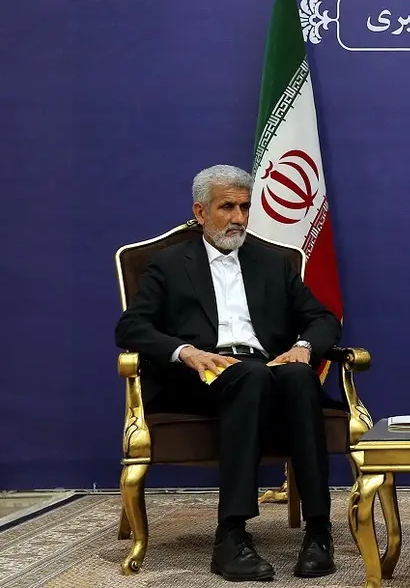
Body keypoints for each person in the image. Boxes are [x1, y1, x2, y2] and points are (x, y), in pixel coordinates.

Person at [115, 165, 341, 581]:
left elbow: (322, 319)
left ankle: (318, 531)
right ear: (200, 211)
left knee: (298, 376)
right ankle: (231, 535)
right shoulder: (169, 265)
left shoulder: (271, 263)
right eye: (227, 208)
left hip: (266, 368)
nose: (238, 218)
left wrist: (303, 348)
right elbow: (131, 327)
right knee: (250, 377)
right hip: (198, 377)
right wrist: (185, 352)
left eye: (244, 207)